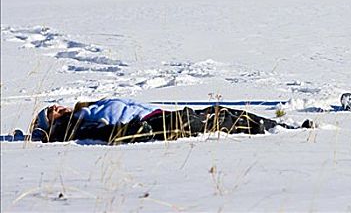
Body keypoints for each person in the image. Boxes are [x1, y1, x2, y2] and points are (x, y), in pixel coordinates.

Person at [30, 98, 312, 144]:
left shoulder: (85, 110)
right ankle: (274, 130)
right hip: (155, 125)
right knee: (219, 117)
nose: (55, 106)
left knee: (218, 112)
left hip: (158, 115)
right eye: (49, 112)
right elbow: (113, 132)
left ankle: (278, 127)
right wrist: (143, 130)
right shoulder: (78, 126)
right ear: (51, 125)